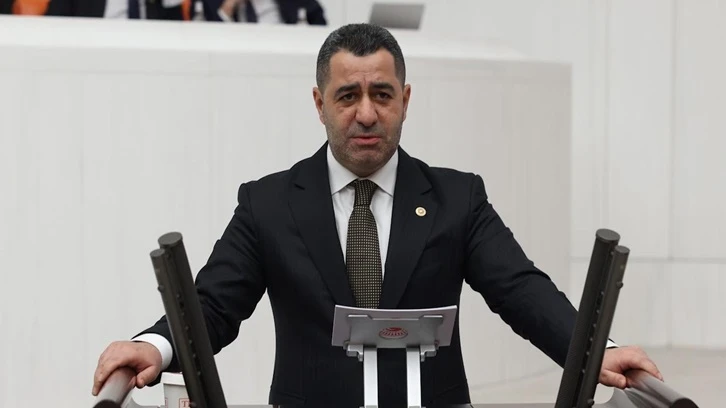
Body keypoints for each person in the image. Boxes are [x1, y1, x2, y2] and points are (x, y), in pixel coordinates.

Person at [92, 23, 663, 407]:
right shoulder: (267, 203)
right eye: (348, 96)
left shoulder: (458, 198)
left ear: (405, 101)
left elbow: (521, 290)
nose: (366, 113)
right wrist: (155, 345)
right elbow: (214, 304)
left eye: (382, 95)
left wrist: (600, 350)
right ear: (319, 103)